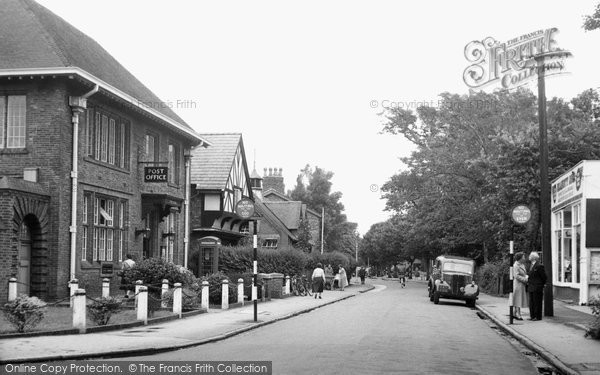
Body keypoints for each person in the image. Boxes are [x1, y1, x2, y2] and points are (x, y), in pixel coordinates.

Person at [527, 251, 547, 321]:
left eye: (530, 256)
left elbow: (544, 276)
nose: (529, 257)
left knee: (537, 302)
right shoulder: (531, 265)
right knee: (531, 302)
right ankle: (532, 316)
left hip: (537, 286)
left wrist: (543, 284)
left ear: (533, 257)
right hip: (531, 286)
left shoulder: (539, 266)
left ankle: (537, 316)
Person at [512, 252, 528, 320]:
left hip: (521, 284)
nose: (524, 258)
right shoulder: (516, 265)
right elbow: (516, 276)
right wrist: (525, 279)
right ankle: (518, 314)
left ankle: (515, 313)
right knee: (518, 299)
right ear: (520, 258)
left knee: (519, 299)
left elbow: (524, 273)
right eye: (523, 257)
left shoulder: (522, 264)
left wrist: (526, 276)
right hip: (518, 284)